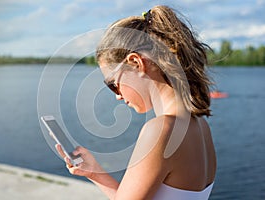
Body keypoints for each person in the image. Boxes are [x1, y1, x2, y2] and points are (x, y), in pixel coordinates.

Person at [56, 5, 216, 200]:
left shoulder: (161, 130)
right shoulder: (200, 125)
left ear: (136, 63)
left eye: (113, 84)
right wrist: (95, 173)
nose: (117, 95)